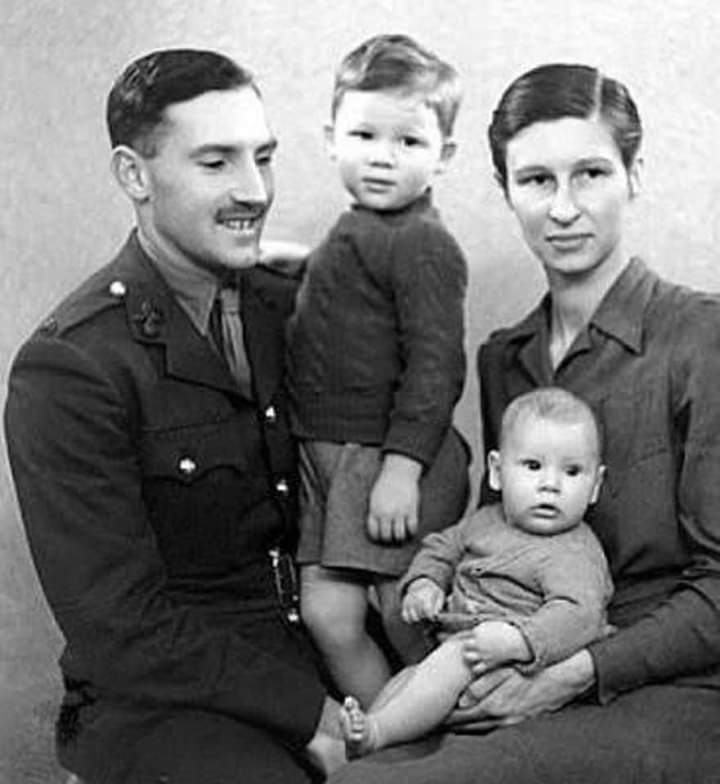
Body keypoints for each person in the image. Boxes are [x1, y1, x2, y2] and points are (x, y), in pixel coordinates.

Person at [330, 63, 720, 784]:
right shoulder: (504, 357)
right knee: (349, 761)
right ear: (505, 190)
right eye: (537, 180)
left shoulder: (701, 338)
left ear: (635, 175)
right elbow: (496, 534)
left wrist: (573, 671)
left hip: (670, 683)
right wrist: (429, 600)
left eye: (592, 174)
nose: (564, 208)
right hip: (514, 653)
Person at [4, 48, 347, 784]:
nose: (255, 190)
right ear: (135, 174)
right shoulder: (72, 367)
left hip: (313, 656)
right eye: (216, 163)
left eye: (263, 158)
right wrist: (304, 711)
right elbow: (118, 627)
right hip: (166, 706)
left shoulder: (283, 306)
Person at [286, 33, 470, 706]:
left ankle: (456, 737)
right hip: (326, 456)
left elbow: (436, 364)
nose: (383, 158)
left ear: (443, 156)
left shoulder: (423, 241)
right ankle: (392, 741)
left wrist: (402, 467)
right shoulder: (356, 227)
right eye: (364, 135)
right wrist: (296, 266)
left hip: (388, 459)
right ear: (332, 137)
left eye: (409, 143)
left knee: (407, 613)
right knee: (329, 617)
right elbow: (349, 299)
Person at [339, 387, 612, 756]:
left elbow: (579, 615)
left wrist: (518, 641)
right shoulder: (484, 521)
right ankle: (369, 733)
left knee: (453, 660)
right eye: (533, 466)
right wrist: (425, 583)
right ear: (497, 472)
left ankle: (378, 733)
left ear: (595, 485)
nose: (551, 484)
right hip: (459, 648)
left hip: (515, 664)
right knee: (408, 678)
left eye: (572, 471)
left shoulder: (574, 553)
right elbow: (441, 548)